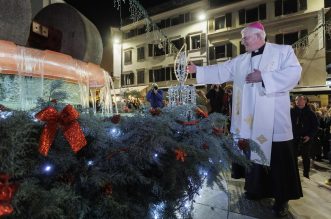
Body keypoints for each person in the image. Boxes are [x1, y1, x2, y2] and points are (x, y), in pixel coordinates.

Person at [187, 21, 303, 217]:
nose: (242, 42)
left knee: (278, 161)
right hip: (249, 122)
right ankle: (256, 189)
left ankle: (281, 199)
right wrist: (198, 70)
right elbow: (221, 71)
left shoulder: (283, 51)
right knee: (253, 157)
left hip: (274, 121)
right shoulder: (240, 60)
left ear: (259, 36)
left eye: (245, 38)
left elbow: (294, 73)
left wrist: (264, 77)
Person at [291, 95, 319, 178]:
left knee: (305, 156)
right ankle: (294, 173)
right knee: (293, 156)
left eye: (300, 100)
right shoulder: (291, 111)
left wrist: (309, 136)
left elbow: (315, 126)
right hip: (294, 138)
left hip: (305, 138)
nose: (298, 101)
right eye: (296, 100)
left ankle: (306, 173)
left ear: (305, 101)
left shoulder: (310, 113)